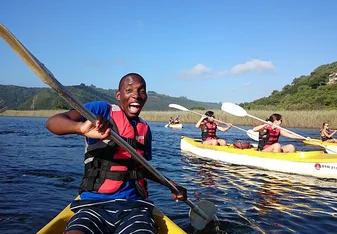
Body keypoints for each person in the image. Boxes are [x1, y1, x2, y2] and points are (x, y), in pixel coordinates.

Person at [45, 73, 187, 234]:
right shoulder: (101, 110)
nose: (136, 95)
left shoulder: (144, 129)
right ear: (118, 95)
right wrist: (80, 128)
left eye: (141, 91)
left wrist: (170, 185)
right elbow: (52, 123)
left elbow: (142, 168)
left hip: (134, 208)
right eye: (129, 90)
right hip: (93, 205)